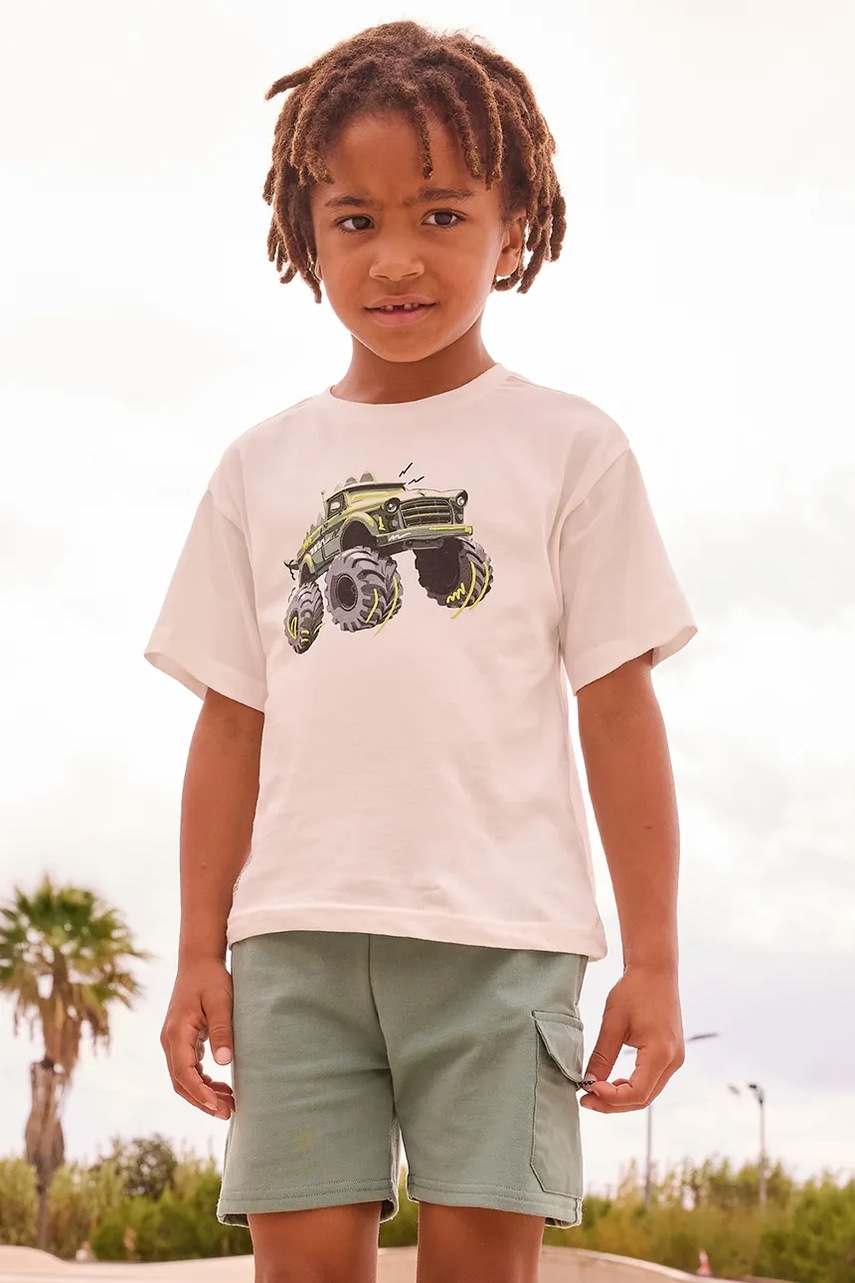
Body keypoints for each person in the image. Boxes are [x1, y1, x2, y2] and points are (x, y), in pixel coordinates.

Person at [145, 19, 698, 1283]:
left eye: (442, 214)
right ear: (306, 234)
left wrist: (657, 960)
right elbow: (231, 722)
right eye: (356, 220)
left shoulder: (571, 448)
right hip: (291, 939)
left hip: (505, 938)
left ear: (513, 227)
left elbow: (619, 708)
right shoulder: (261, 467)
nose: (397, 257)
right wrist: (195, 949)